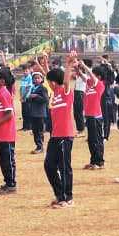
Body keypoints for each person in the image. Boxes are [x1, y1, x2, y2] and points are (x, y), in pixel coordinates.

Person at [44, 57, 77, 207]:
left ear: (54, 81)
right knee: (49, 165)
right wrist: (45, 64)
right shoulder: (56, 92)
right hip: (55, 135)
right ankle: (59, 195)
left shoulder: (65, 91)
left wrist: (68, 65)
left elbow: (66, 81)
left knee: (64, 167)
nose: (49, 83)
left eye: (50, 81)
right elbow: (49, 76)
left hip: (65, 135)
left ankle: (67, 198)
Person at [79, 63, 107, 170]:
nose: (91, 76)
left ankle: (100, 162)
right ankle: (93, 161)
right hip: (89, 116)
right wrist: (77, 68)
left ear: (98, 76)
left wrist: (84, 65)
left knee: (97, 140)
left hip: (96, 116)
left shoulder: (99, 84)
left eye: (94, 74)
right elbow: (82, 75)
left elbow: (90, 74)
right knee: (91, 140)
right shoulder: (90, 83)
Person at [24, 72, 49, 154]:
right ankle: (37, 145)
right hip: (33, 112)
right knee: (34, 130)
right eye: (35, 78)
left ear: (42, 79)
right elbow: (28, 100)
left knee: (39, 130)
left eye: (38, 78)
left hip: (40, 113)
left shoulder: (43, 88)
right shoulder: (33, 88)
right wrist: (28, 98)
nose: (36, 79)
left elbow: (46, 100)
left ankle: (40, 146)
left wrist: (36, 96)